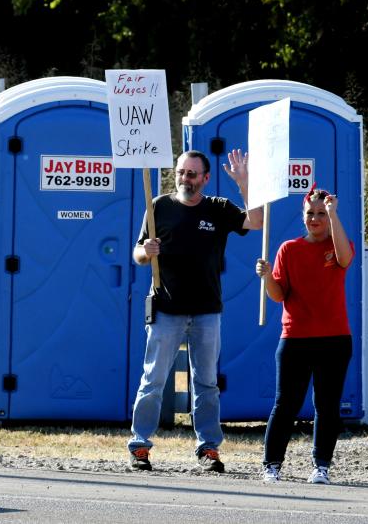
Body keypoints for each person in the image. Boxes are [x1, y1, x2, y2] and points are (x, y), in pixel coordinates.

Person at [127, 149, 263, 473]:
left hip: (206, 313)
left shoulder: (218, 208)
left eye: (191, 174)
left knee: (206, 384)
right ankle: (140, 446)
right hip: (166, 310)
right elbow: (137, 253)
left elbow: (255, 221)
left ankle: (208, 448)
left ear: (205, 178)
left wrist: (244, 182)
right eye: (180, 172)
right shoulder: (158, 205)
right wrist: (145, 252)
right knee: (153, 380)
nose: (184, 179)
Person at [255, 188, 354, 485]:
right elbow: (277, 295)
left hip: (334, 339)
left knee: (327, 405)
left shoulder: (338, 244)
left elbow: (346, 259)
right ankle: (272, 465)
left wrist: (333, 212)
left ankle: (321, 465)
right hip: (295, 338)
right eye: (310, 213)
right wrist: (268, 276)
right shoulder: (288, 248)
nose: (315, 219)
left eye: (321, 213)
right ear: (302, 215)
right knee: (285, 404)